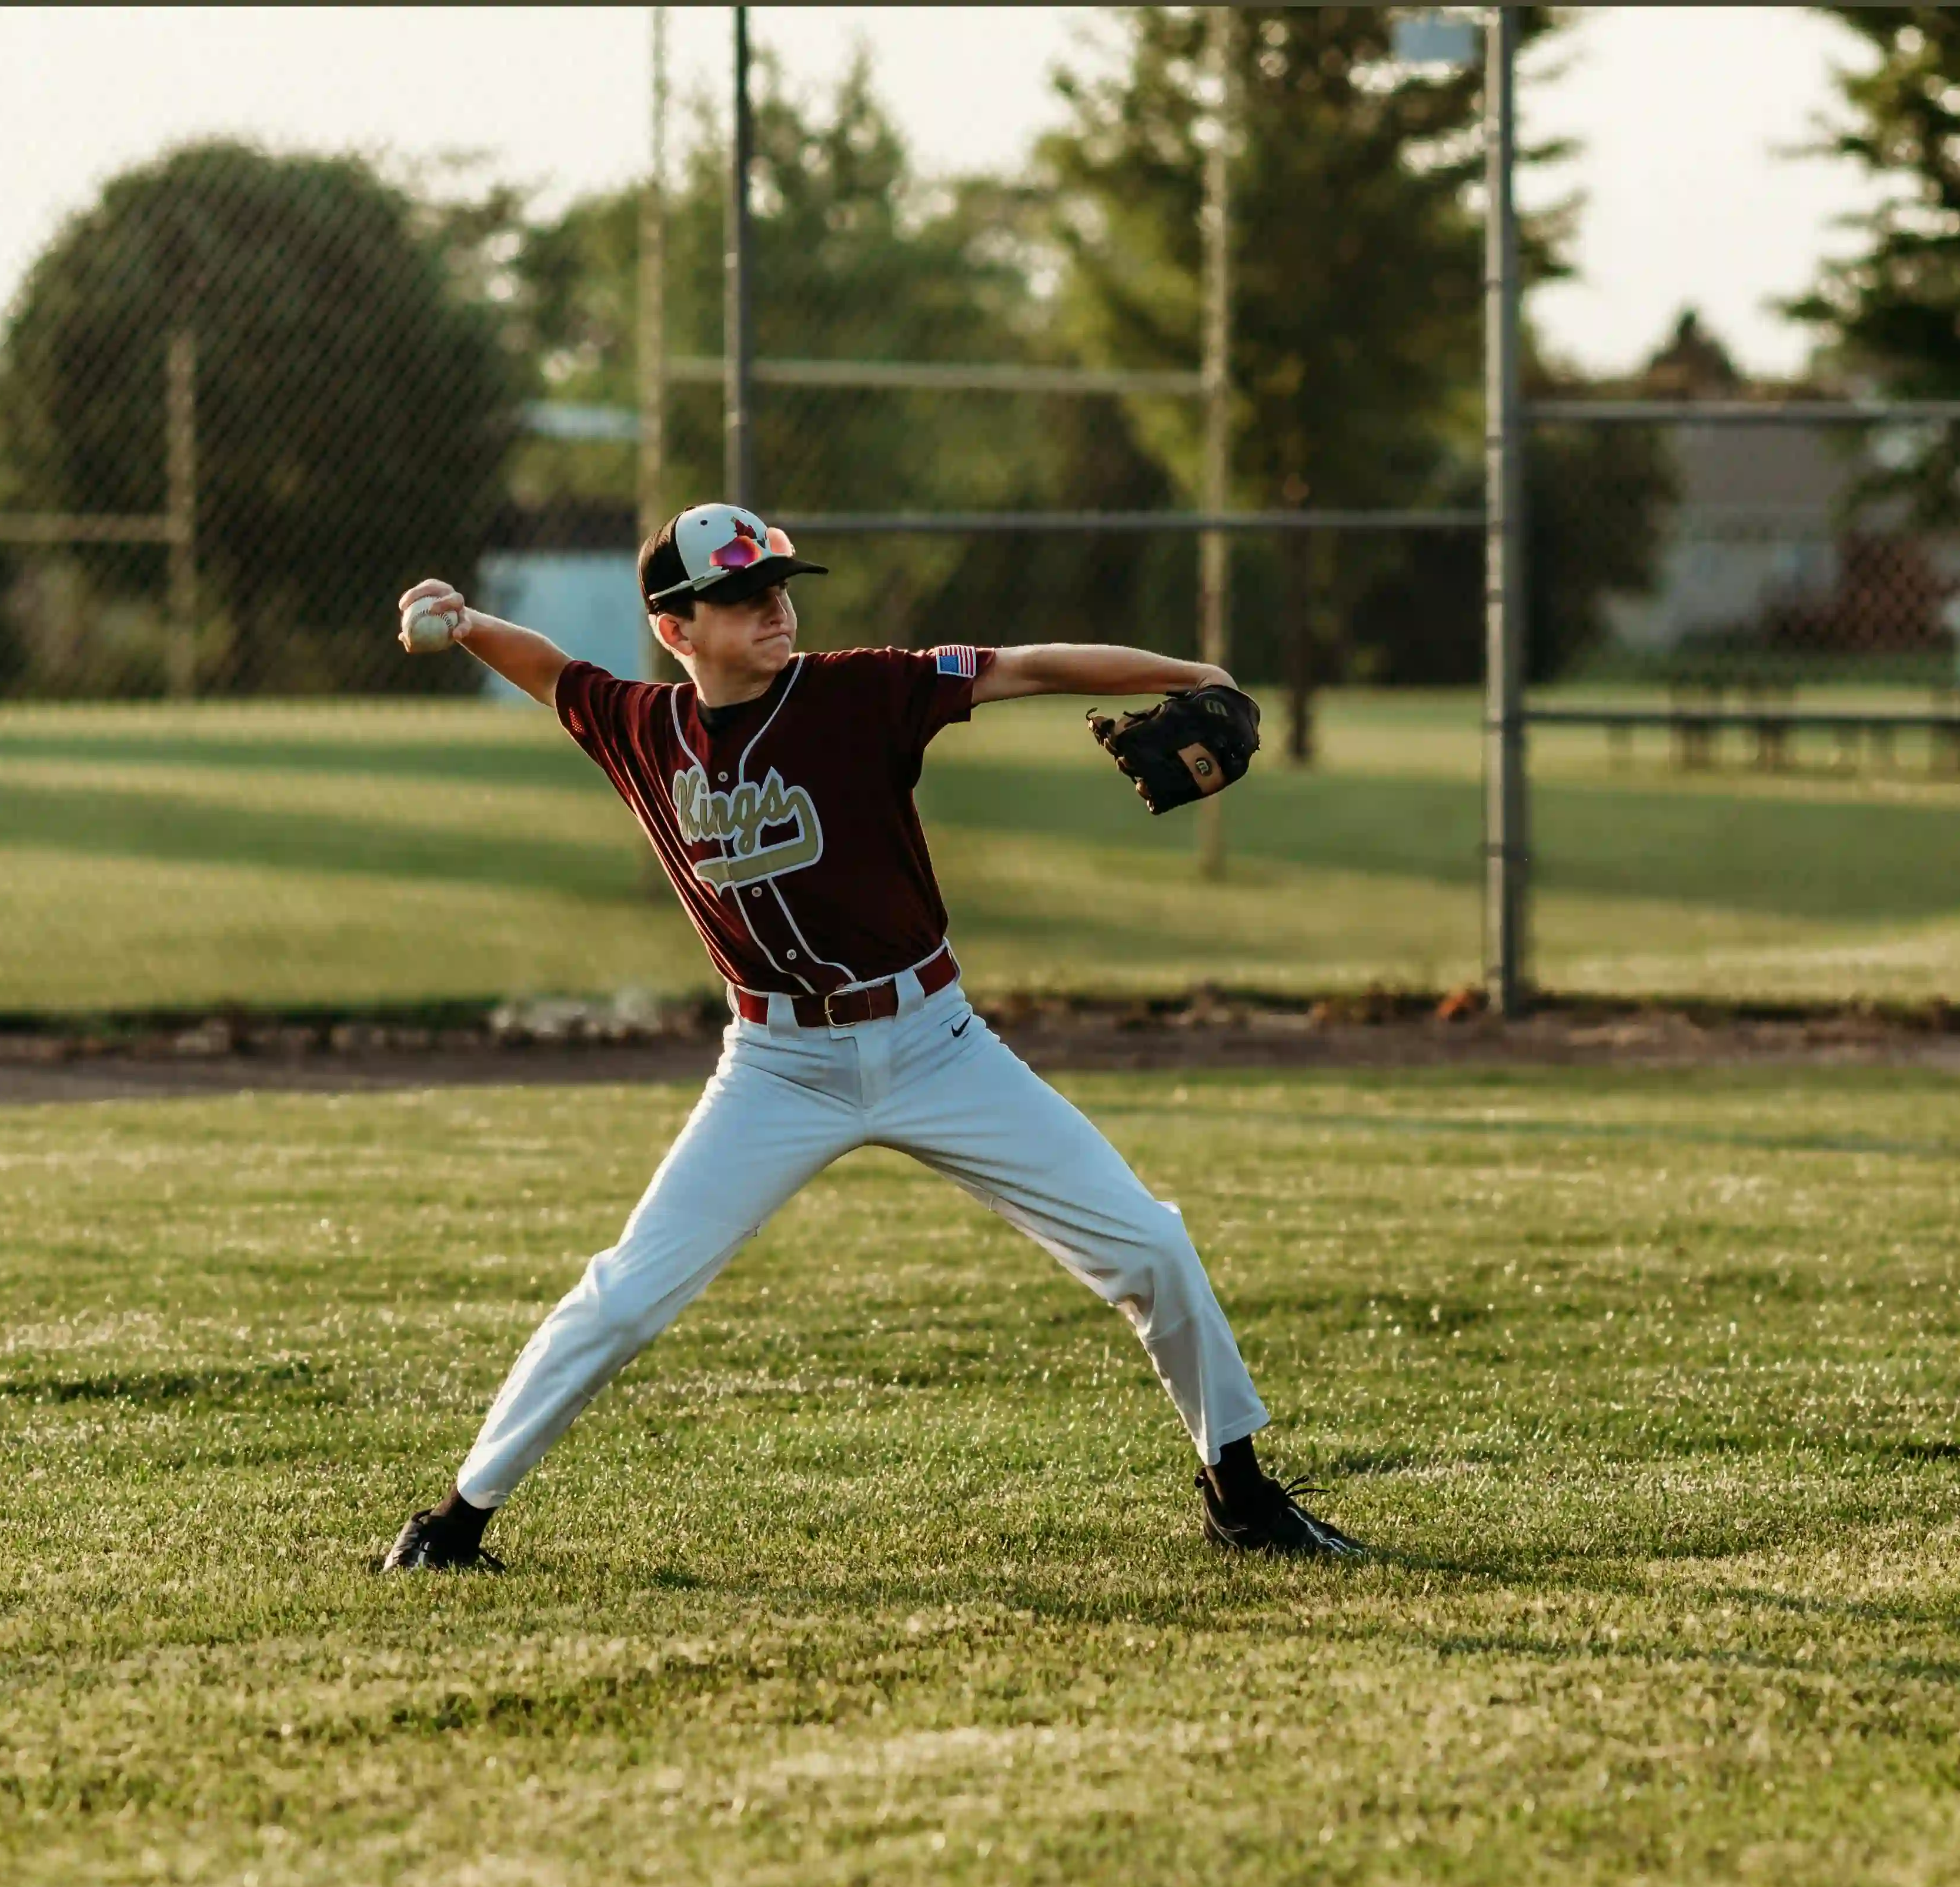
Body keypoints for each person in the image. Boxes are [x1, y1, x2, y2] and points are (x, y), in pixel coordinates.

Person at [376, 502, 1360, 1571]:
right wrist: (466, 623)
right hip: (775, 1070)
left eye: (779, 589)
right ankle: (453, 1524)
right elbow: (549, 671)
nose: (772, 609)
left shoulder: (861, 691)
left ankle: (1240, 1497)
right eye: (738, 598)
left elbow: (1027, 667)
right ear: (675, 629)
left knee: (1150, 1248)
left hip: (937, 1044)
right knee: (624, 1298)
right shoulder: (638, 727)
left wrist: (1196, 671)